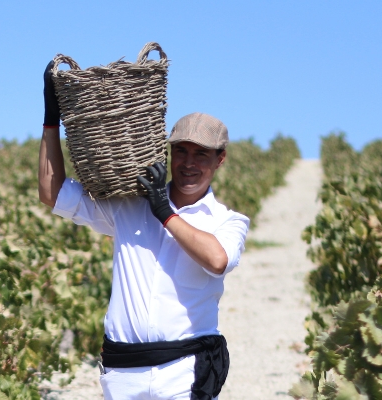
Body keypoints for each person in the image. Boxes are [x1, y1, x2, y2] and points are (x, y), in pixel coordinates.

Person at [38, 62, 250, 400]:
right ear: (169, 152)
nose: (189, 163)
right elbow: (54, 194)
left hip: (184, 370)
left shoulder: (227, 221)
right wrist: (52, 120)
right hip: (122, 373)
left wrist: (163, 211)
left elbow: (217, 260)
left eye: (201, 154)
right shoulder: (130, 205)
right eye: (181, 151)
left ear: (220, 159)